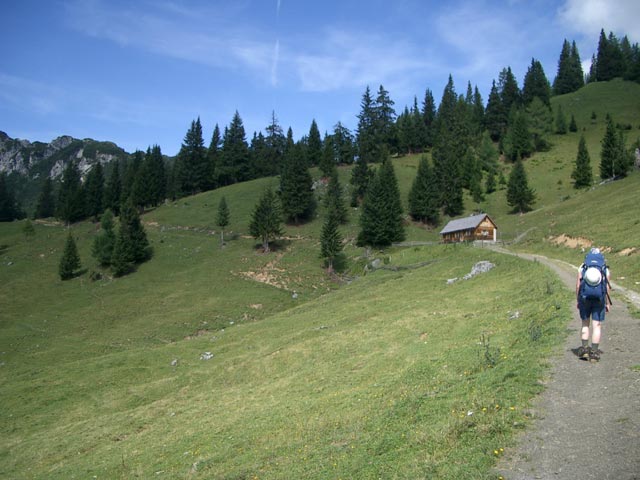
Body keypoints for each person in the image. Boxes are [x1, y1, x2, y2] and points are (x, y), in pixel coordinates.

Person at [575, 248, 611, 362]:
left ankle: (585, 350)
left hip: (585, 299)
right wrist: (607, 303)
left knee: (585, 324)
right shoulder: (605, 269)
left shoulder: (583, 267)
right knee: (597, 326)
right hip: (599, 300)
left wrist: (578, 300)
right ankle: (594, 353)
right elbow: (606, 288)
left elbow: (578, 285)